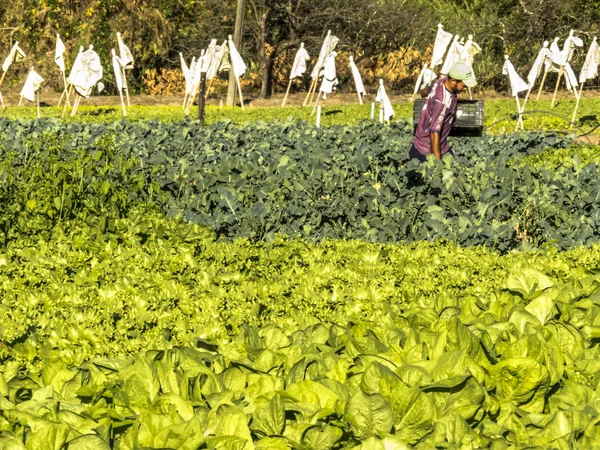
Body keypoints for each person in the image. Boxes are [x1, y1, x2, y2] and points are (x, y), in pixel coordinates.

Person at [410, 62, 477, 161]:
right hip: (426, 150)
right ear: (453, 81)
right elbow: (434, 133)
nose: (465, 88)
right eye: (463, 85)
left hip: (442, 145)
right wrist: (438, 164)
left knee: (457, 170)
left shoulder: (442, 81)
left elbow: (425, 91)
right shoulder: (442, 102)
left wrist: (424, 96)